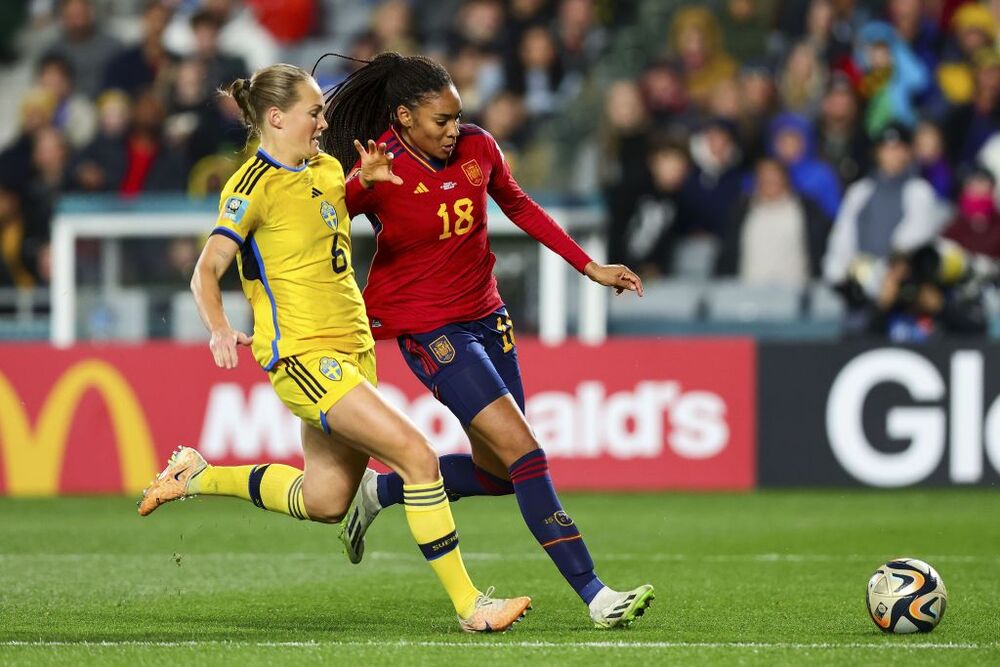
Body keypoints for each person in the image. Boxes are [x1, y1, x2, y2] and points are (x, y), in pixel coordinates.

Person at [136, 63, 530, 633]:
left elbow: (327, 216)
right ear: (277, 118)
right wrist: (220, 327)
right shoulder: (249, 188)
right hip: (303, 356)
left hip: (353, 348)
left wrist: (365, 182)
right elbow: (207, 270)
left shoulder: (323, 168)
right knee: (418, 458)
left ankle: (196, 475)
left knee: (325, 500)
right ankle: (472, 606)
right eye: (315, 112)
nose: (325, 122)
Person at [320, 51, 654, 629]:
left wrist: (588, 266)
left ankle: (381, 493)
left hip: (486, 316)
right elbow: (319, 217)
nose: (454, 130)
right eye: (440, 120)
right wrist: (353, 185)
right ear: (403, 118)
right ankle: (596, 595)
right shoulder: (382, 167)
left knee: (501, 473)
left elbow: (519, 205)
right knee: (527, 452)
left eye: (457, 117)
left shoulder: (479, 147)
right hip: (429, 329)